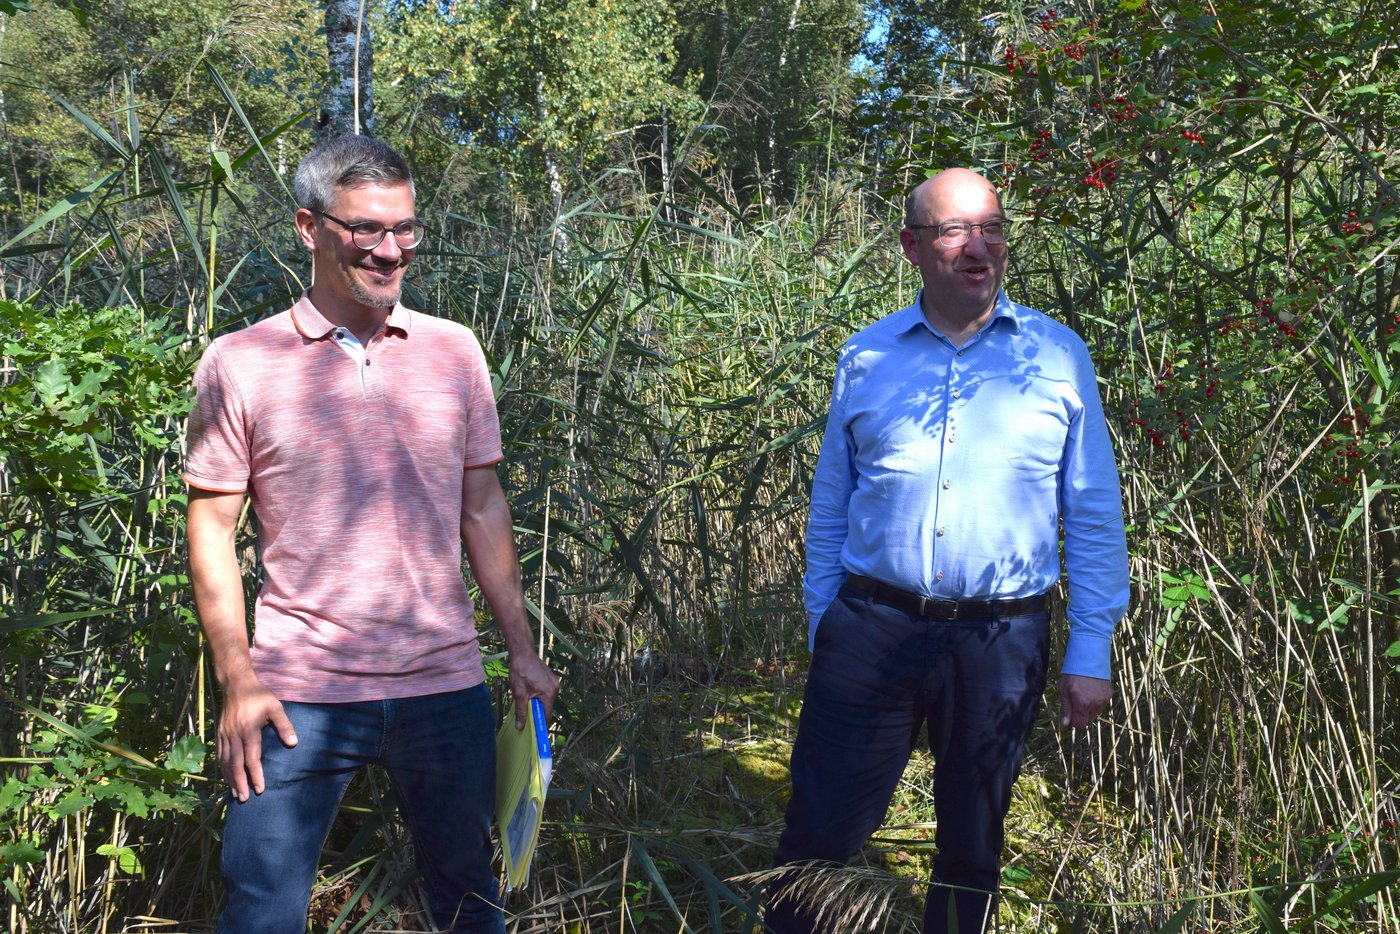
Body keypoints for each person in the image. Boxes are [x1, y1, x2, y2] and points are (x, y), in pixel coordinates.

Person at [184, 135, 560, 933]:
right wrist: (237, 679)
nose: (390, 251)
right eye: (365, 229)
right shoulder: (240, 361)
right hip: (299, 692)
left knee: (469, 898)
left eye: (405, 230)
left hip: (445, 683)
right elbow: (212, 527)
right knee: (261, 907)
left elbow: (482, 506)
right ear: (308, 227)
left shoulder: (455, 352)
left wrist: (519, 648)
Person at [766, 168, 1130, 933]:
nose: (980, 245)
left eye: (992, 227)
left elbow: (1092, 507)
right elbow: (832, 501)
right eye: (956, 229)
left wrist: (1090, 646)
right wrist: (823, 621)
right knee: (817, 837)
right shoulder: (867, 358)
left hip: (1002, 640)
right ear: (912, 247)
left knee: (971, 850)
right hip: (871, 627)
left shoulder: (1057, 358)